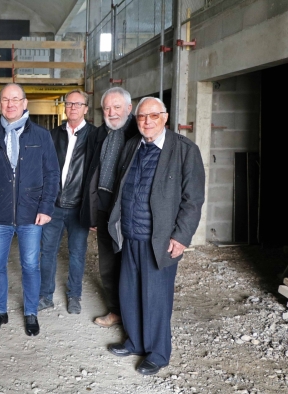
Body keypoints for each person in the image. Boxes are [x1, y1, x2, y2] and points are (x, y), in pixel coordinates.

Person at [106, 97, 205, 375]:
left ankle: (158, 353)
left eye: (153, 116)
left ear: (165, 117)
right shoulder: (132, 146)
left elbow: (193, 199)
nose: (147, 122)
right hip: (130, 234)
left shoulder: (184, 150)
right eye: (141, 117)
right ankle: (135, 342)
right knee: (130, 292)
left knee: (156, 297)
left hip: (159, 239)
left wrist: (182, 237)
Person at [0, 83, 59, 336]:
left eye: (16, 99)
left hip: (31, 213)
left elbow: (52, 174)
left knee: (30, 265)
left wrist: (46, 207)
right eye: (5, 99)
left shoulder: (41, 136)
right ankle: (0, 311)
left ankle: (30, 313)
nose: (10, 104)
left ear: (25, 103)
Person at [80, 87, 139, 328]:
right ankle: (115, 310)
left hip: (127, 209)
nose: (111, 113)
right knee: (107, 261)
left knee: (129, 260)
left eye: (117, 107)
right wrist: (92, 212)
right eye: (107, 108)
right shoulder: (100, 133)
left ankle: (133, 315)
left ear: (128, 108)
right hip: (103, 206)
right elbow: (91, 174)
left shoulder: (139, 132)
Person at [38, 89, 96, 314]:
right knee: (47, 252)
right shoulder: (52, 135)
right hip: (53, 206)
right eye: (69, 104)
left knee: (77, 253)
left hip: (79, 207)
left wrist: (93, 209)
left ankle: (74, 296)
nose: (72, 107)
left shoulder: (94, 135)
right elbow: (45, 168)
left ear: (86, 109)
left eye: (77, 104)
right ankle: (45, 295)